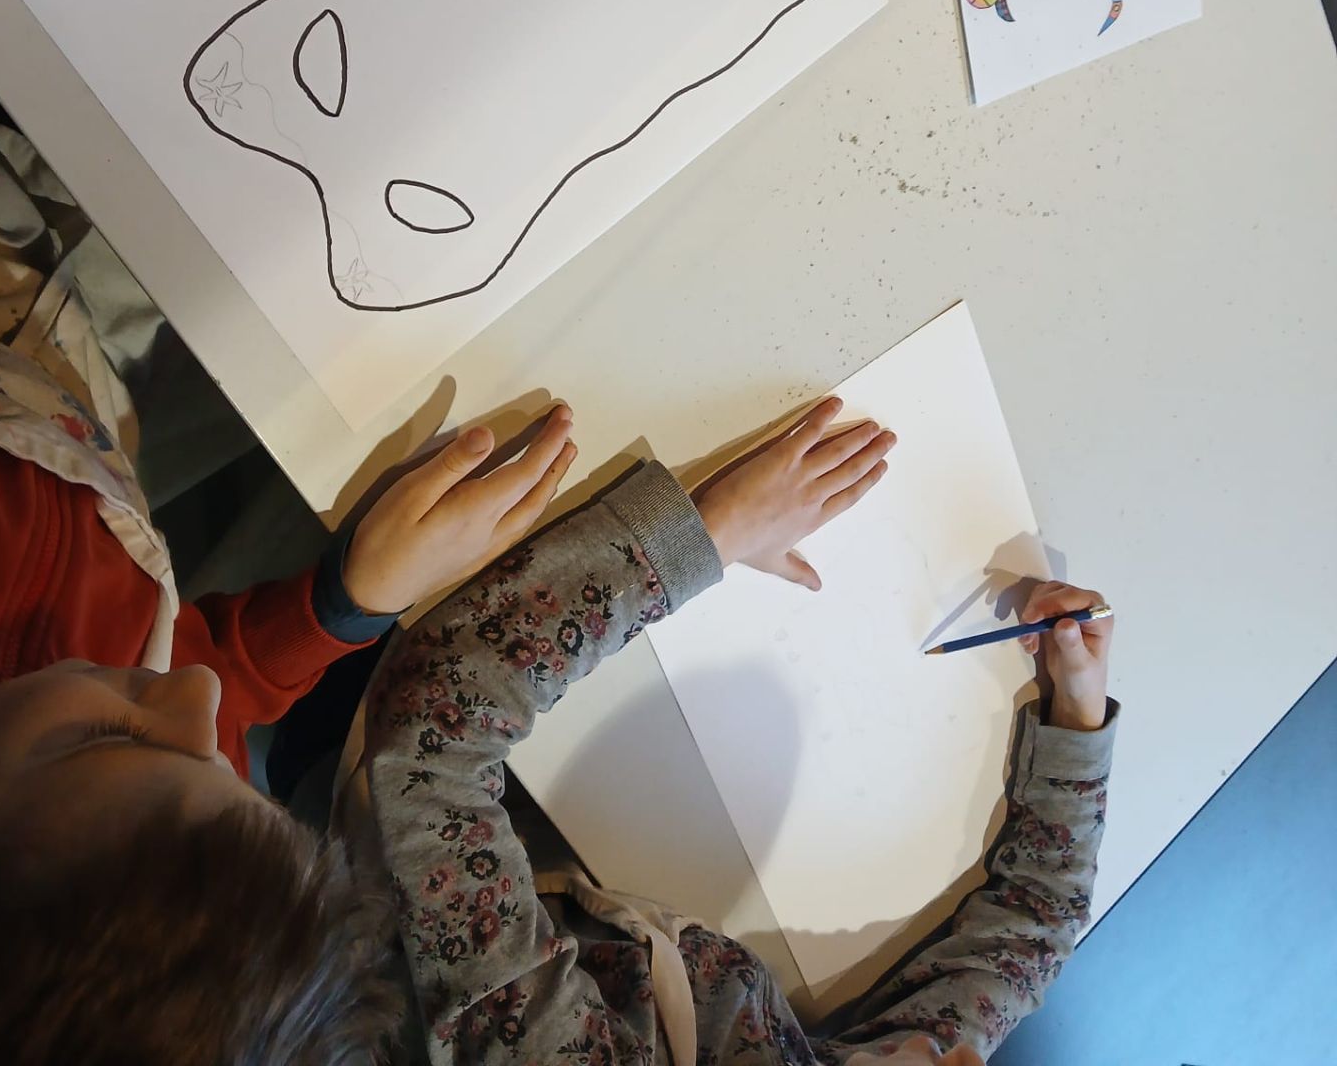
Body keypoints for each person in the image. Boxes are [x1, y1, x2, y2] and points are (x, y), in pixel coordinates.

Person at [0, 0, 576, 1062]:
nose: (198, 702)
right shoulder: (129, 758)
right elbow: (203, 678)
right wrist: (344, 603)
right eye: (227, 769)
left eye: (112, 737)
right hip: (62, 382)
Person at [340, 396, 1117, 1065]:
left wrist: (707, 533)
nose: (965, 1059)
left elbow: (432, 728)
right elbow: (1037, 923)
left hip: (376, 884)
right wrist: (1076, 713)